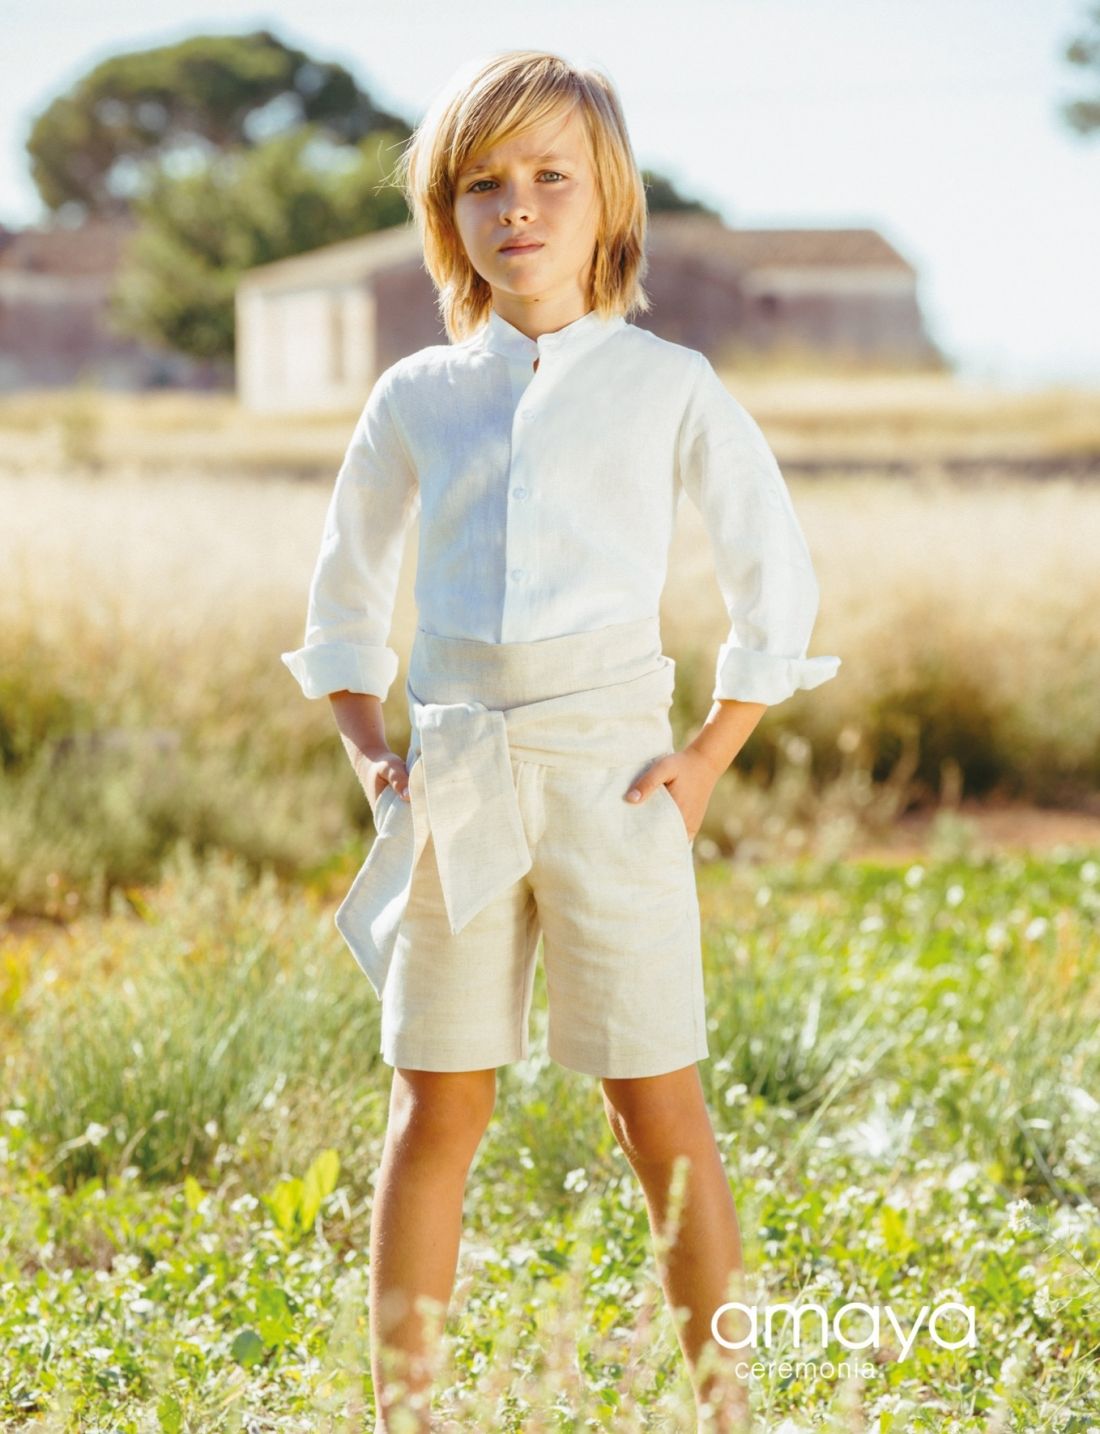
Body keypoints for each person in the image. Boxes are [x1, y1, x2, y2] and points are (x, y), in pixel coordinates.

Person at [281, 48, 840, 1434]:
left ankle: (729, 1409)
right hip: (456, 773)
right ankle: (407, 1413)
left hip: (614, 773)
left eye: (549, 179)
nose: (517, 207)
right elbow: (345, 592)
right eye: (485, 183)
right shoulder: (416, 396)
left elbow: (776, 573)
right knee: (433, 1108)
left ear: (608, 206)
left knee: (659, 1108)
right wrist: (372, 754)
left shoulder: (668, 383)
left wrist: (707, 754)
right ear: (448, 214)